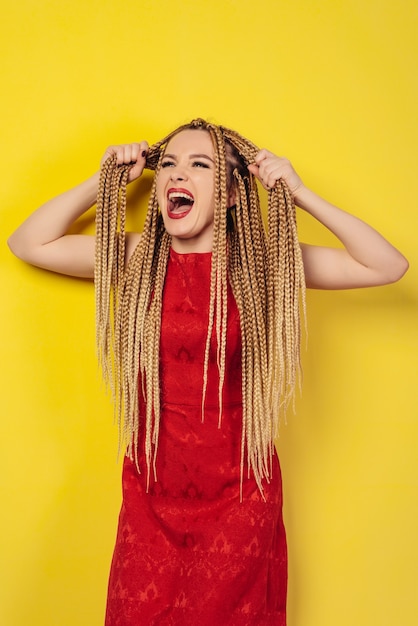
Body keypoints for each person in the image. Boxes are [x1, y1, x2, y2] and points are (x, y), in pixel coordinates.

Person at [7, 118, 408, 626]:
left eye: (201, 164)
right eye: (169, 164)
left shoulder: (264, 264)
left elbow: (386, 267)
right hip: (151, 493)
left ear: (234, 193)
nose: (179, 174)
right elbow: (28, 243)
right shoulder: (137, 258)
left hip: (240, 497)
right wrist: (105, 179)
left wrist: (299, 194)